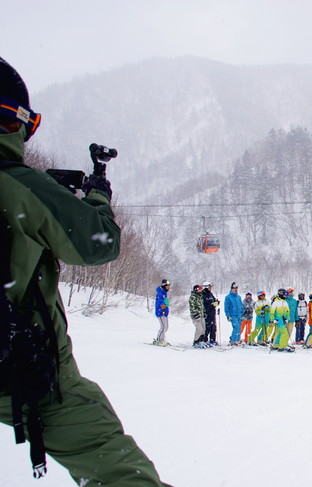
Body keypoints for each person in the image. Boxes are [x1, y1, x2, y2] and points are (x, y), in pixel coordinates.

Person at [0, 57, 169, 484]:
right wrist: (95, 198)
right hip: (19, 367)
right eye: (27, 124)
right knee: (112, 464)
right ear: (13, 120)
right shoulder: (16, 185)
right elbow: (99, 243)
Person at [153, 279, 171, 346]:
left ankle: (162, 339)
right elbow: (159, 302)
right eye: (167, 286)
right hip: (161, 312)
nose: (169, 287)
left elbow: (166, 303)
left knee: (166, 327)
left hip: (165, 312)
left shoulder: (164, 293)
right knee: (163, 327)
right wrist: (162, 306)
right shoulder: (160, 293)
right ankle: (159, 340)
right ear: (164, 286)